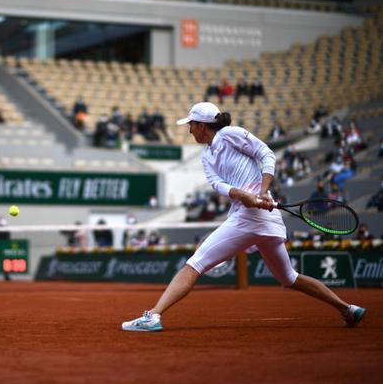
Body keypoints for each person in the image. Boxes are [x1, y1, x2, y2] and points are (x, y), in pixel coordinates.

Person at [121, 102, 366, 332]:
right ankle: (347, 309)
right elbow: (217, 184)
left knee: (194, 264)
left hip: (250, 217)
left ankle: (153, 315)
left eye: (191, 125)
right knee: (289, 277)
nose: (189, 130)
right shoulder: (207, 155)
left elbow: (266, 154)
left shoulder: (230, 134)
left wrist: (261, 191)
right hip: (258, 217)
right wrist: (241, 194)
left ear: (202, 126)